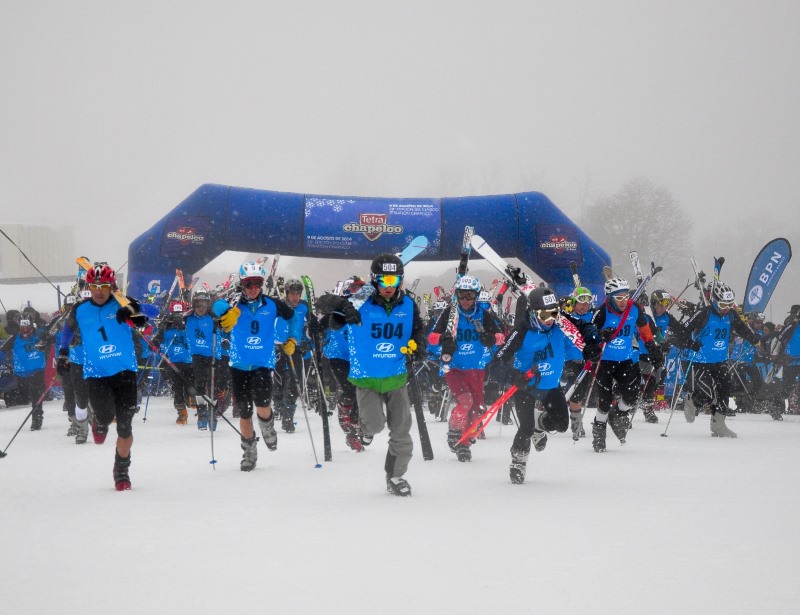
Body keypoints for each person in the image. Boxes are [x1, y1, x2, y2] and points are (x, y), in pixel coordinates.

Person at [315, 253, 427, 496]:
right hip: (366, 378)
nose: (389, 287)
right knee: (375, 425)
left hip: (396, 376)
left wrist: (418, 345)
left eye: (394, 281)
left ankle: (395, 476)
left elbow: (418, 329)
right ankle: (364, 431)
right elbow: (321, 305)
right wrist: (345, 306)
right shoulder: (360, 299)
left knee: (401, 433)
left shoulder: (408, 304)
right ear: (375, 280)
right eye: (384, 281)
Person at [490, 287, 602, 483]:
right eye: (544, 314)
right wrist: (512, 375)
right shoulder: (522, 331)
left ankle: (538, 425)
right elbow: (496, 363)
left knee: (561, 424)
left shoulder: (560, 324)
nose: (550, 319)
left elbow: (584, 329)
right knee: (524, 428)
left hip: (550, 387)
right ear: (533, 312)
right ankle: (519, 460)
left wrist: (590, 347)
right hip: (525, 387)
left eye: (554, 312)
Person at [64, 263, 148, 490]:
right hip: (96, 373)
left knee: (125, 427)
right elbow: (67, 329)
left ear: (111, 285)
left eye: (103, 285)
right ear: (88, 286)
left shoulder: (122, 302)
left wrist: (133, 313)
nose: (99, 290)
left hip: (125, 372)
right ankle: (99, 423)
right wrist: (63, 351)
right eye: (94, 285)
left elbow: (144, 318)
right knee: (104, 414)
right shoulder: (80, 309)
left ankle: (121, 470)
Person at [212, 261, 294, 472]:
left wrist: (292, 338)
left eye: (257, 283)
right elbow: (216, 305)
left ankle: (268, 427)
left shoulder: (272, 304)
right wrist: (225, 312)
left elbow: (294, 315)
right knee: (245, 411)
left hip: (263, 363)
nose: (253, 288)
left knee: (263, 405)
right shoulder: (235, 301)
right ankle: (249, 452)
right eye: (249, 283)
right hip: (239, 364)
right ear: (242, 284)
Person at [427, 275, 504, 462]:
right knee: (466, 401)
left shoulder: (483, 315)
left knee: (477, 408)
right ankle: (454, 430)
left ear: (476, 296)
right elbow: (430, 339)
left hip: (476, 368)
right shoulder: (449, 313)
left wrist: (491, 339)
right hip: (454, 367)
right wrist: (444, 341)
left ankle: (464, 443)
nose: (465, 300)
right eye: (462, 295)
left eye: (470, 295)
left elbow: (501, 337)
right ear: (457, 296)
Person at [674, 282, 761, 437]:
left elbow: (741, 328)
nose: (725, 308)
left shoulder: (731, 314)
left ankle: (718, 426)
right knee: (707, 394)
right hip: (700, 361)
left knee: (724, 391)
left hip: (720, 360)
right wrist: (690, 343)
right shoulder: (704, 313)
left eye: (729, 304)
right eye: (722, 304)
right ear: (714, 300)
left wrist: (752, 337)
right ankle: (692, 400)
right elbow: (682, 332)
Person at [589, 278, 663, 452]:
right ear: (610, 297)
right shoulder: (601, 313)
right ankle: (599, 429)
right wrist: (600, 335)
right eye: (618, 298)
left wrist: (653, 348)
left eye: (625, 297)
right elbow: (589, 336)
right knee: (605, 400)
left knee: (632, 395)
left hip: (625, 360)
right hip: (605, 361)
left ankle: (619, 414)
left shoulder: (634, 309)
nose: (623, 302)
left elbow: (644, 330)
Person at [272, 277, 310, 433]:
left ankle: (288, 417)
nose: (295, 297)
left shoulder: (304, 308)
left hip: (296, 347)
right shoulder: (278, 306)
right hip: (278, 347)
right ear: (286, 293)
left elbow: (308, 327)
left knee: (294, 381)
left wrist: (309, 340)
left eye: (298, 293)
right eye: (292, 293)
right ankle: (278, 404)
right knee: (279, 379)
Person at [152, 301, 196, 425]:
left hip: (190, 361)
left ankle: (193, 398)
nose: (178, 315)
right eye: (175, 312)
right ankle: (181, 413)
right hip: (173, 361)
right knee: (177, 388)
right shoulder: (166, 325)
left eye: (180, 312)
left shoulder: (189, 322)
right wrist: (154, 344)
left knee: (191, 386)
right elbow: (158, 338)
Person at [1, 316, 49, 430]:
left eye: (28, 328)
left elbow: (51, 334)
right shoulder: (14, 339)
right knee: (21, 397)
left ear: (32, 328)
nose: (25, 331)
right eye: (22, 328)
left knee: (35, 393)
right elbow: (2, 351)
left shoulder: (39, 336)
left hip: (37, 370)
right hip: (21, 374)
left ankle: (36, 418)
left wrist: (46, 335)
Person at [561, 286, 595, 438]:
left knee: (586, 392)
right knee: (577, 391)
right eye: (581, 302)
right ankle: (576, 424)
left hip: (589, 360)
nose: (584, 305)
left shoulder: (592, 317)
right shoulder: (566, 317)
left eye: (587, 302)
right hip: (571, 359)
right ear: (574, 303)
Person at [184, 291, 217, 429]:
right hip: (197, 355)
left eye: (204, 305)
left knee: (213, 384)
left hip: (213, 356)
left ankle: (212, 412)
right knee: (199, 383)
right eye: (198, 305)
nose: (201, 308)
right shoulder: (188, 318)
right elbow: (173, 319)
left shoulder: (213, 318)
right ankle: (201, 413)